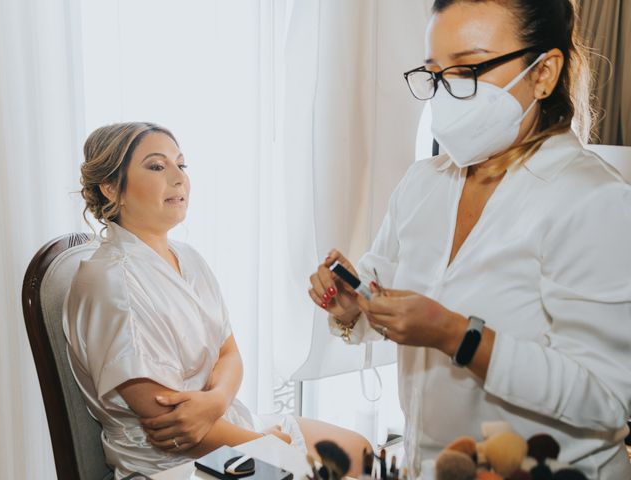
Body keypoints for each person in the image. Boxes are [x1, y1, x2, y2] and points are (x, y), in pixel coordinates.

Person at [308, 1, 631, 479]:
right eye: (435, 73)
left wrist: (457, 336)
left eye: (467, 69)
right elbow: (383, 281)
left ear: (543, 73)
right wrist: (353, 305)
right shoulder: (422, 184)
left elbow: (606, 397)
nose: (444, 93)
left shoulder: (594, 200)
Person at [63, 122, 369, 479]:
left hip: (227, 425)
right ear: (111, 187)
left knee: (360, 454)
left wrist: (217, 402)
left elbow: (229, 352)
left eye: (182, 164)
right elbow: (173, 429)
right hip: (174, 464)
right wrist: (265, 445)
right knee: (327, 473)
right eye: (157, 166)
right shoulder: (112, 282)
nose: (179, 178)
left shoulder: (187, 257)